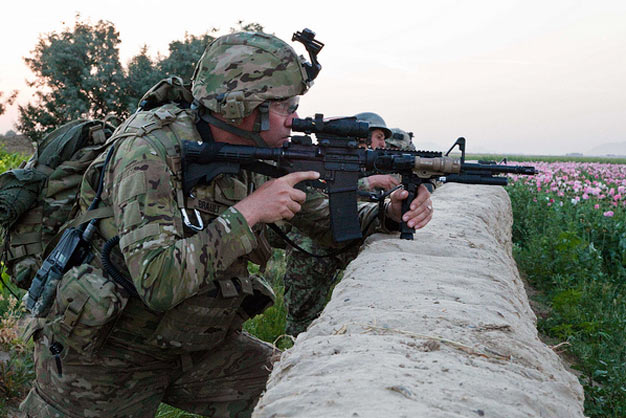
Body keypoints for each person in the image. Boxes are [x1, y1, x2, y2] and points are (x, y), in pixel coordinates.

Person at [20, 31, 433, 417]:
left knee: (307, 396)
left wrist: (388, 213)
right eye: (286, 107)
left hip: (197, 347)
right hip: (106, 356)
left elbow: (325, 221)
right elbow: (157, 281)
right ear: (243, 109)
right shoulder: (148, 150)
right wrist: (249, 213)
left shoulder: (259, 149)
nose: (295, 119)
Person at [282, 114, 414, 337]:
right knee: (302, 315)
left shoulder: (369, 163)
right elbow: (322, 194)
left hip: (337, 243)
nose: (383, 144)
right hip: (309, 249)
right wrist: (369, 182)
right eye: (379, 137)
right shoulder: (327, 157)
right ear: (363, 136)